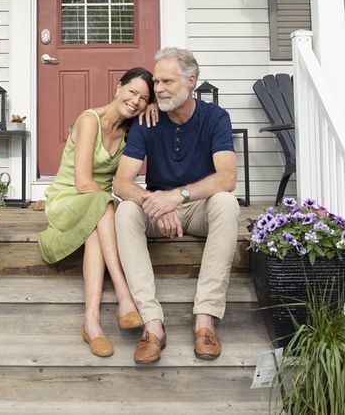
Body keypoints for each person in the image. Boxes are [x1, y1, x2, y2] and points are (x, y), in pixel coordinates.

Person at [113, 47, 240, 364]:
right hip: (158, 210)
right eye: (156, 82)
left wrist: (178, 196)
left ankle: (205, 321)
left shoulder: (215, 118)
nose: (159, 89)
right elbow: (122, 182)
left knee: (226, 203)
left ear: (191, 81)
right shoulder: (147, 120)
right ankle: (153, 325)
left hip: (197, 207)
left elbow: (227, 177)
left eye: (167, 81)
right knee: (126, 209)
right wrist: (157, 202)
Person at [37, 68, 156, 358]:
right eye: (132, 92)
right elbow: (82, 182)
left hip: (96, 207)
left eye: (143, 98)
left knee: (97, 225)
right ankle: (124, 296)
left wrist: (155, 107)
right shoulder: (90, 120)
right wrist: (109, 202)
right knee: (104, 207)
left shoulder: (133, 129)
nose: (136, 101)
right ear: (118, 88)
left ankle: (92, 322)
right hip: (69, 199)